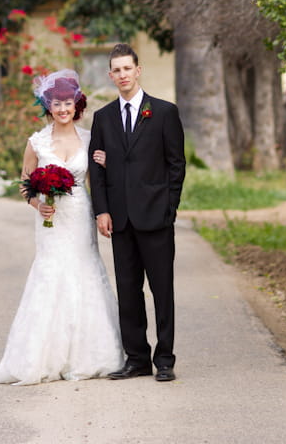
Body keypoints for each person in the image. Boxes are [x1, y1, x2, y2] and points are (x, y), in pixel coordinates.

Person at [0, 69, 124, 386]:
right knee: (50, 275)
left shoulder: (90, 139)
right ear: (49, 106)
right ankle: (42, 357)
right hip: (50, 220)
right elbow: (24, 184)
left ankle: (88, 356)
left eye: (68, 103)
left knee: (84, 271)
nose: (63, 109)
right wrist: (37, 204)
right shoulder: (36, 142)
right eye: (57, 104)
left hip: (78, 214)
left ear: (77, 106)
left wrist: (105, 170)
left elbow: (95, 183)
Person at [88, 44, 186, 382]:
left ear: (138, 70)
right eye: (116, 70)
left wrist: (169, 208)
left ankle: (165, 360)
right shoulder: (102, 118)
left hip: (156, 218)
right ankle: (137, 358)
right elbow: (96, 170)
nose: (122, 75)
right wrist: (101, 211)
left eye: (127, 69)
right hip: (120, 220)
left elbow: (176, 165)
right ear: (110, 75)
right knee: (128, 291)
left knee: (162, 290)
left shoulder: (163, 112)